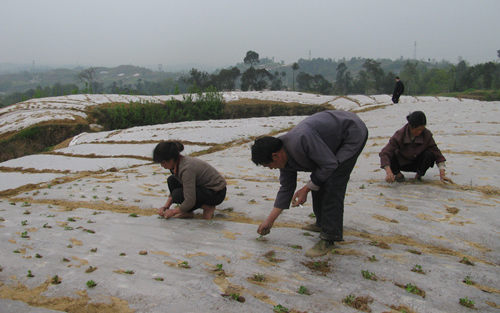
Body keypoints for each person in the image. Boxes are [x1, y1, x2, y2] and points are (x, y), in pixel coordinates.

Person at [251, 110, 368, 257]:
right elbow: (286, 189)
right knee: (318, 178)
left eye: (269, 165)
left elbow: (329, 165)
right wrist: (269, 222)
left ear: (275, 156)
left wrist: (306, 189)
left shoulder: (302, 140)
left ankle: (329, 237)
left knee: (332, 181)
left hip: (352, 132)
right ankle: (321, 223)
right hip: (332, 138)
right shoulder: (283, 156)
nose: (272, 168)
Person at [153, 141, 227, 220]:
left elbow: (190, 200)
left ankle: (208, 207)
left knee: (178, 194)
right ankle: (187, 211)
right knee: (172, 180)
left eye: (162, 163)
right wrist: (166, 207)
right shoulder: (175, 164)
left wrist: (174, 211)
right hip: (202, 188)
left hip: (216, 193)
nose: (162, 166)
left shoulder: (187, 168)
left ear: (170, 160)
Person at [380, 111, 452, 184]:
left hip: (417, 163)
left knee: (429, 154)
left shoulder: (426, 134)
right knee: (391, 155)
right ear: (411, 127)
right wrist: (389, 172)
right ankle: (398, 175)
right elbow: (385, 153)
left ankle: (419, 176)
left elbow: (437, 153)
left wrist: (442, 173)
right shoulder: (400, 134)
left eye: (422, 129)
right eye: (417, 130)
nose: (419, 132)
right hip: (402, 163)